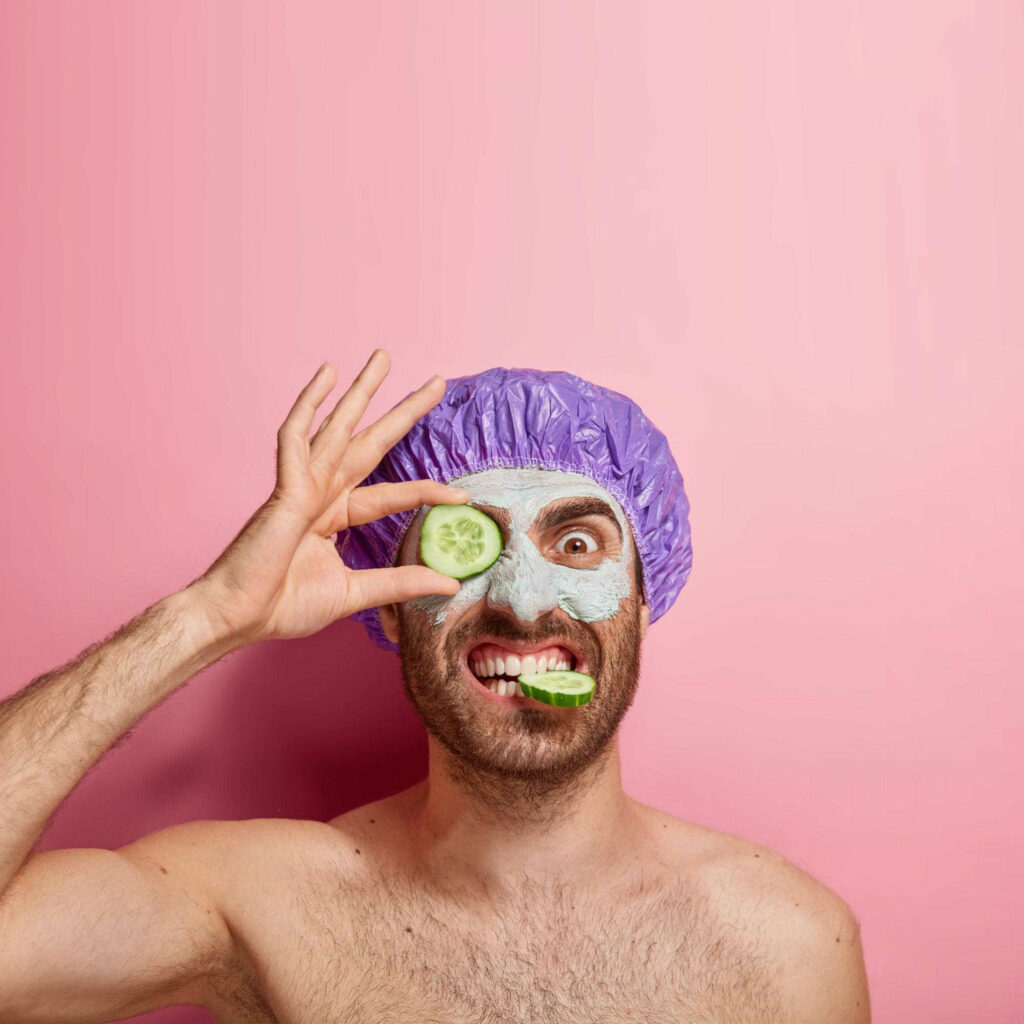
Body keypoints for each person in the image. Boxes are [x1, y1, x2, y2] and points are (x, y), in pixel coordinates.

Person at [0, 350, 870, 1023]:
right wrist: (205, 617)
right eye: (468, 545)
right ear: (391, 606)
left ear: (644, 602)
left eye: (576, 546)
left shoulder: (788, 942)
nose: (525, 606)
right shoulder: (258, 905)